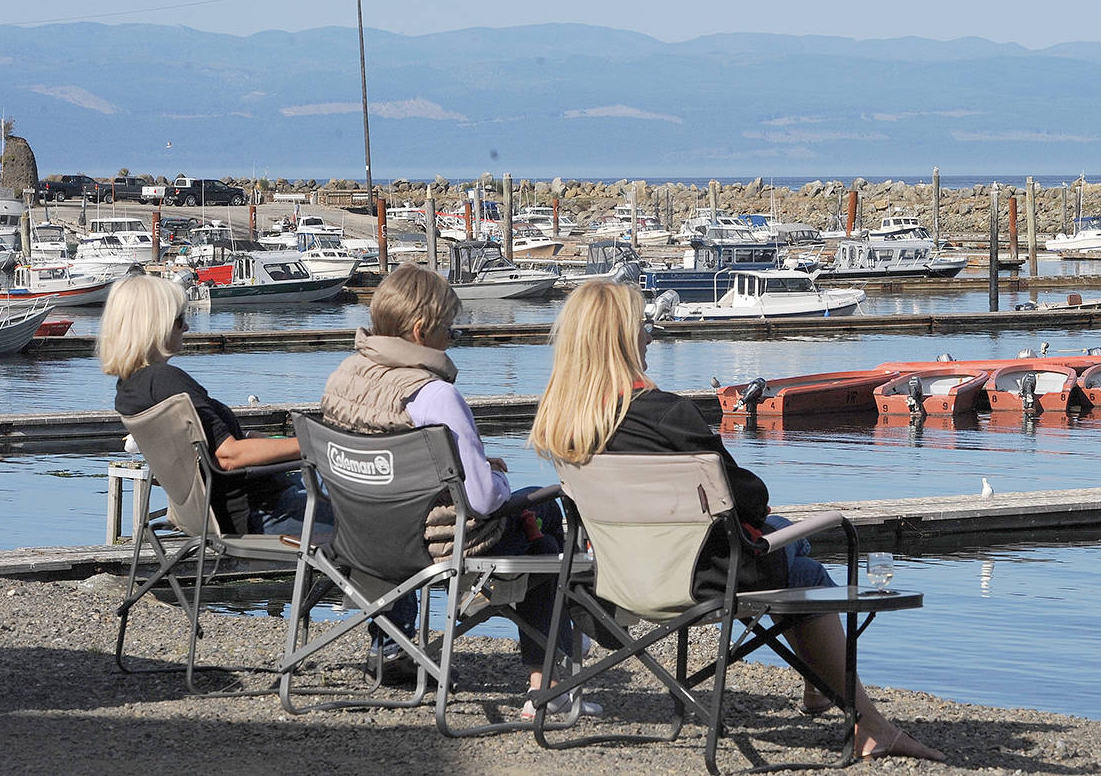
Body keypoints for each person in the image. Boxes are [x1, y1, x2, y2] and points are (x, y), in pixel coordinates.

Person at [528, 280, 944, 762]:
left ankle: (827, 693)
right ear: (621, 338)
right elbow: (748, 499)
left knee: (788, 541)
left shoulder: (562, 423)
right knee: (801, 563)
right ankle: (864, 721)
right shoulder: (667, 415)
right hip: (701, 582)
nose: (649, 336)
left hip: (612, 581)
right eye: (641, 326)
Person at [321, 264, 597, 717]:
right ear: (421, 330)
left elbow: (388, 463)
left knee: (534, 536)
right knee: (543, 530)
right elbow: (485, 500)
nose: (453, 336)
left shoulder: (343, 377)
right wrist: (495, 477)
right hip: (433, 545)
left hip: (358, 538)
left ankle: (557, 639)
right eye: (449, 327)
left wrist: (465, 468)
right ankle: (549, 681)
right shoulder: (434, 396)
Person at [98, 274, 327, 536]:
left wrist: (260, 440)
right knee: (372, 502)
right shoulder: (164, 381)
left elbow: (211, 449)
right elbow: (228, 456)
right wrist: (317, 443)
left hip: (223, 512)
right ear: (155, 326)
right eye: (179, 320)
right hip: (261, 513)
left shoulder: (130, 389)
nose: (185, 328)